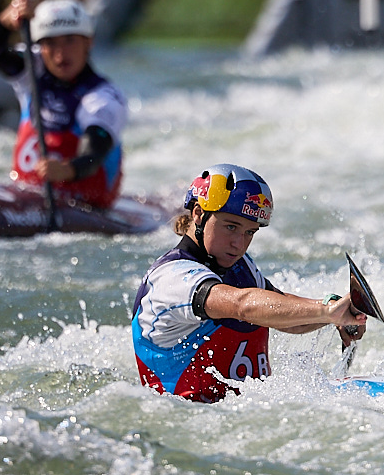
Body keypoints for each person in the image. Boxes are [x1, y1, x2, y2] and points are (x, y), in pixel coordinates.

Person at [131, 164, 368, 402]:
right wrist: (324, 311)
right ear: (198, 214)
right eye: (231, 227)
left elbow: (280, 311)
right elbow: (242, 306)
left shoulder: (239, 264)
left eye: (250, 232)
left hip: (243, 415)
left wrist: (332, 312)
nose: (239, 244)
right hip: (190, 420)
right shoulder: (171, 278)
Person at [0, 0, 127, 209]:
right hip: (25, 193)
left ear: (89, 42)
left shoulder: (103, 97)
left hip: (85, 205)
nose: (60, 54)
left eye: (69, 40)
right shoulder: (32, 69)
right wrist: (5, 22)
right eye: (50, 43)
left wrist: (66, 171)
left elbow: (94, 155)